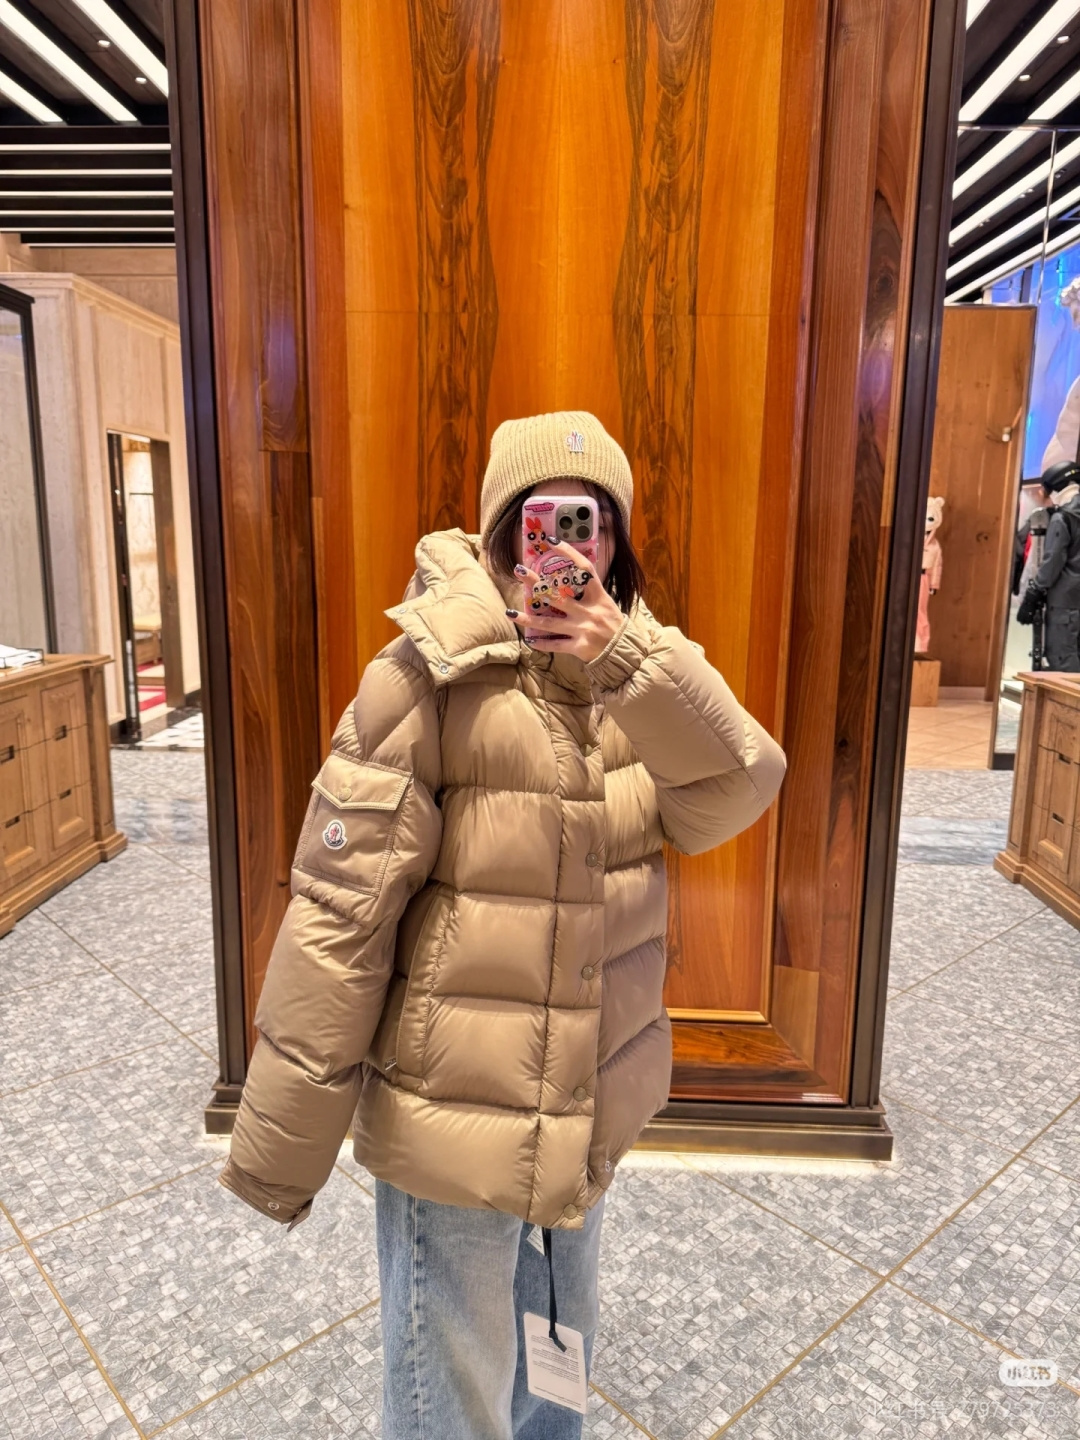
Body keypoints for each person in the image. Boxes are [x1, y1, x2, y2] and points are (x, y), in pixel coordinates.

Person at [217, 410, 787, 1438]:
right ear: (498, 534)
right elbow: (340, 919)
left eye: (590, 522)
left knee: (556, 1370)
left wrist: (629, 662)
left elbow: (740, 790)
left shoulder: (642, 679)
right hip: (453, 1120)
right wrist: (280, 1147)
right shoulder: (425, 678)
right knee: (451, 1392)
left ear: (618, 541)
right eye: (541, 521)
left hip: (585, 1107)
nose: (565, 548)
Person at [1017, 460, 1080, 672]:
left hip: (1064, 602)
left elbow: (1053, 561)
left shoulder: (1063, 518)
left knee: (1063, 661)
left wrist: (1033, 593)